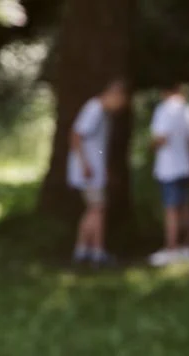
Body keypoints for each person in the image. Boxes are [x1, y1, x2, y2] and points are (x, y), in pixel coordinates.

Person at [68, 78, 128, 267]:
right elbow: (76, 135)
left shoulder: (103, 113)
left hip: (94, 170)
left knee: (96, 209)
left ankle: (86, 250)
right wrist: (84, 164)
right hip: (89, 171)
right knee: (98, 207)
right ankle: (94, 251)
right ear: (114, 95)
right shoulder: (94, 109)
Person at [149, 83, 189, 267]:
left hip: (168, 168)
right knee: (185, 206)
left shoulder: (164, 110)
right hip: (186, 166)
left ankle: (171, 248)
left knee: (171, 209)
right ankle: (188, 246)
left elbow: (160, 138)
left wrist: (152, 146)